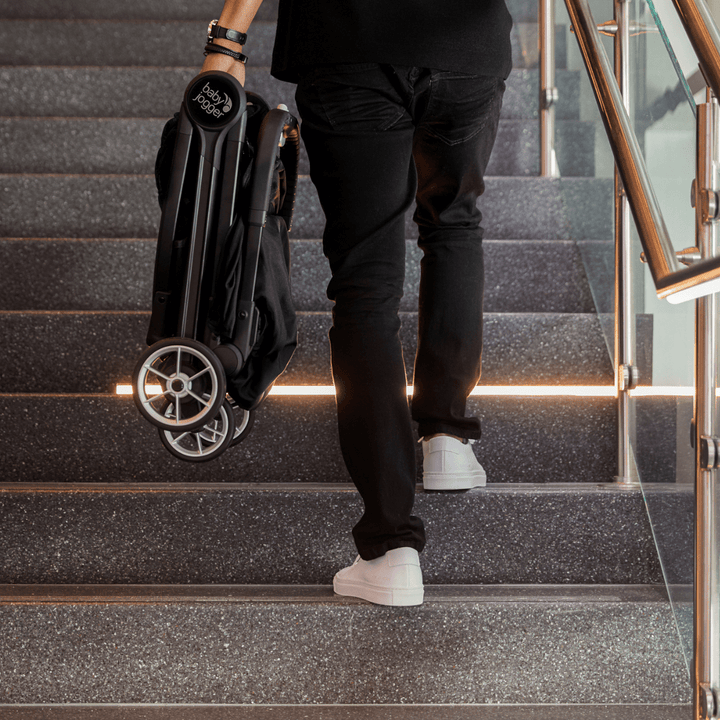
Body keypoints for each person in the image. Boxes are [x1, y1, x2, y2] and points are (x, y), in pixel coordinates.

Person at [202, 0, 513, 607]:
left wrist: (228, 39)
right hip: (467, 44)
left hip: (350, 43)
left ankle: (390, 549)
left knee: (366, 284)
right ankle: (446, 433)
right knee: (454, 223)